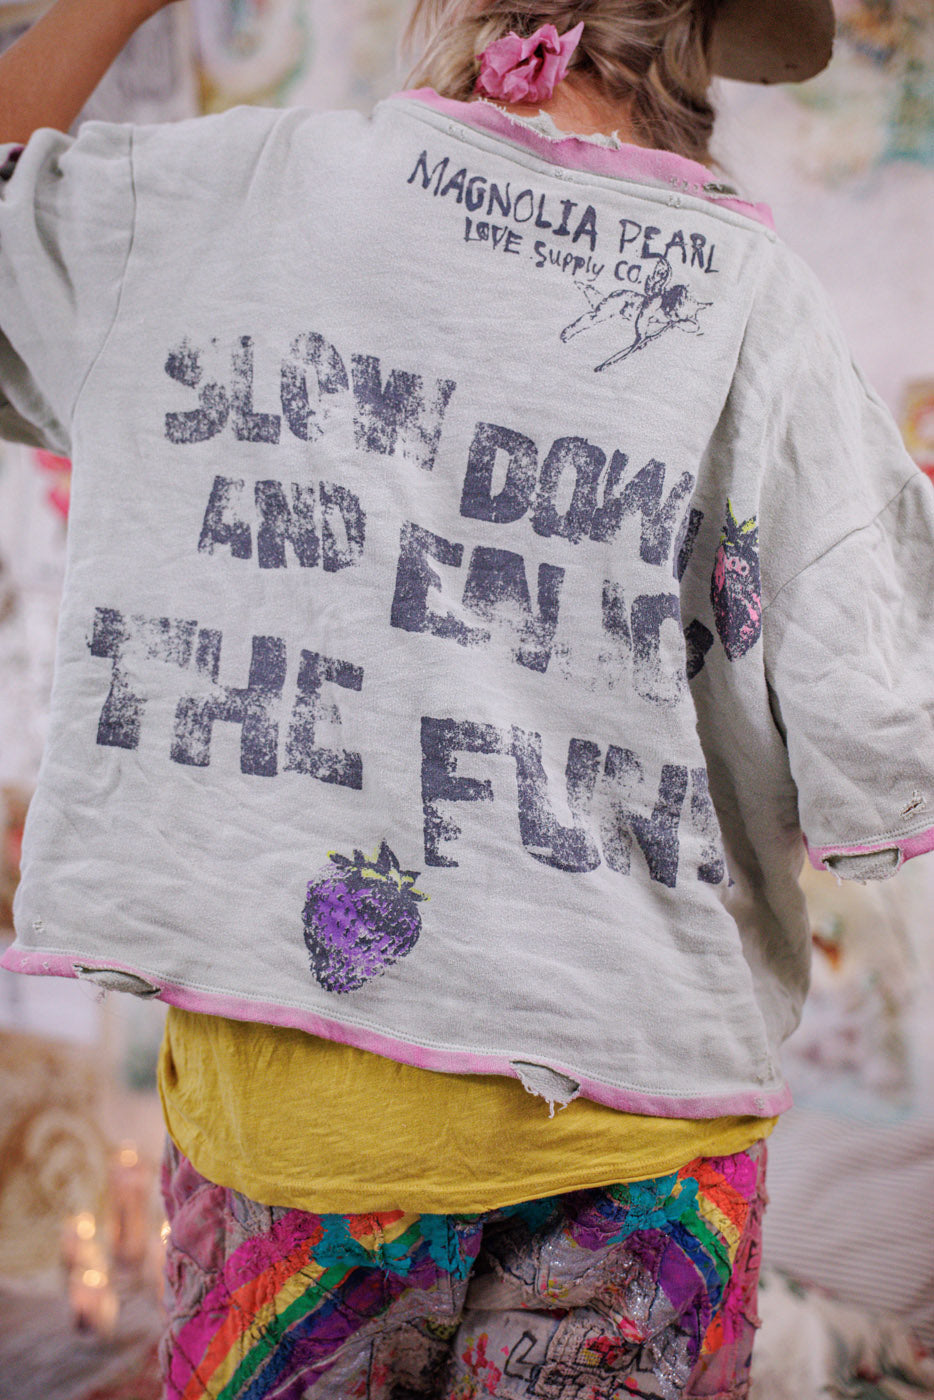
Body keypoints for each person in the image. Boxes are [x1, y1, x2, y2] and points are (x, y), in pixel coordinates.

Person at [1, 0, 932, 1395]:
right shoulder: (755, 299)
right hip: (634, 1145)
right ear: (692, 43)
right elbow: (881, 711)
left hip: (293, 1142)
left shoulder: (230, 197)